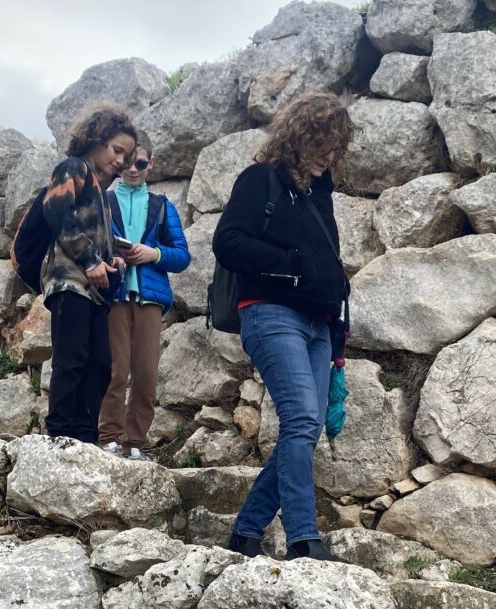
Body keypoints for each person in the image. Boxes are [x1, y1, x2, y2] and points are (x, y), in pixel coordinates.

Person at [212, 92, 353, 562]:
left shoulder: (318, 195)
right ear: (299, 138)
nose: (329, 156)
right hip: (271, 313)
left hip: (318, 324)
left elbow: (323, 260)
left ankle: (246, 532)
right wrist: (291, 263)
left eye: (336, 148)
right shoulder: (260, 180)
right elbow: (227, 242)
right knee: (301, 420)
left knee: (305, 429)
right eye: (322, 145)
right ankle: (303, 542)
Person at [41, 103, 137, 443]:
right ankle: (58, 435)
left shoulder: (100, 191)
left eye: (126, 156)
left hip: (94, 289)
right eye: (117, 150)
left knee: (99, 362)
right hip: (68, 281)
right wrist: (90, 260)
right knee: (72, 359)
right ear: (97, 139)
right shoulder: (73, 168)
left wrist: (112, 261)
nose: (121, 161)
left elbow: (97, 237)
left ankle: (83, 438)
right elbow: (55, 210)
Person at [98, 134, 191, 460]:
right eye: (127, 163)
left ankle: (135, 443)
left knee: (146, 375)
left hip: (150, 299)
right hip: (115, 295)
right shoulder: (104, 201)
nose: (133, 169)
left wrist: (154, 254)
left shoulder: (162, 206)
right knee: (116, 369)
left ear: (150, 163)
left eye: (140, 163)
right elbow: (90, 245)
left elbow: (182, 256)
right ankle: (109, 437)